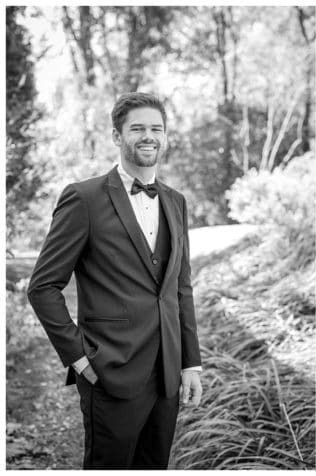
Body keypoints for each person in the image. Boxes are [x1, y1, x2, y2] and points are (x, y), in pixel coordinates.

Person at [27, 92, 203, 469]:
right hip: (109, 370)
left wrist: (191, 362)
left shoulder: (176, 201)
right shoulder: (84, 199)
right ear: (116, 136)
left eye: (156, 128)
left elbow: (180, 287)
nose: (148, 136)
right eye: (137, 128)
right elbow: (42, 287)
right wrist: (78, 359)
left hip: (168, 375)